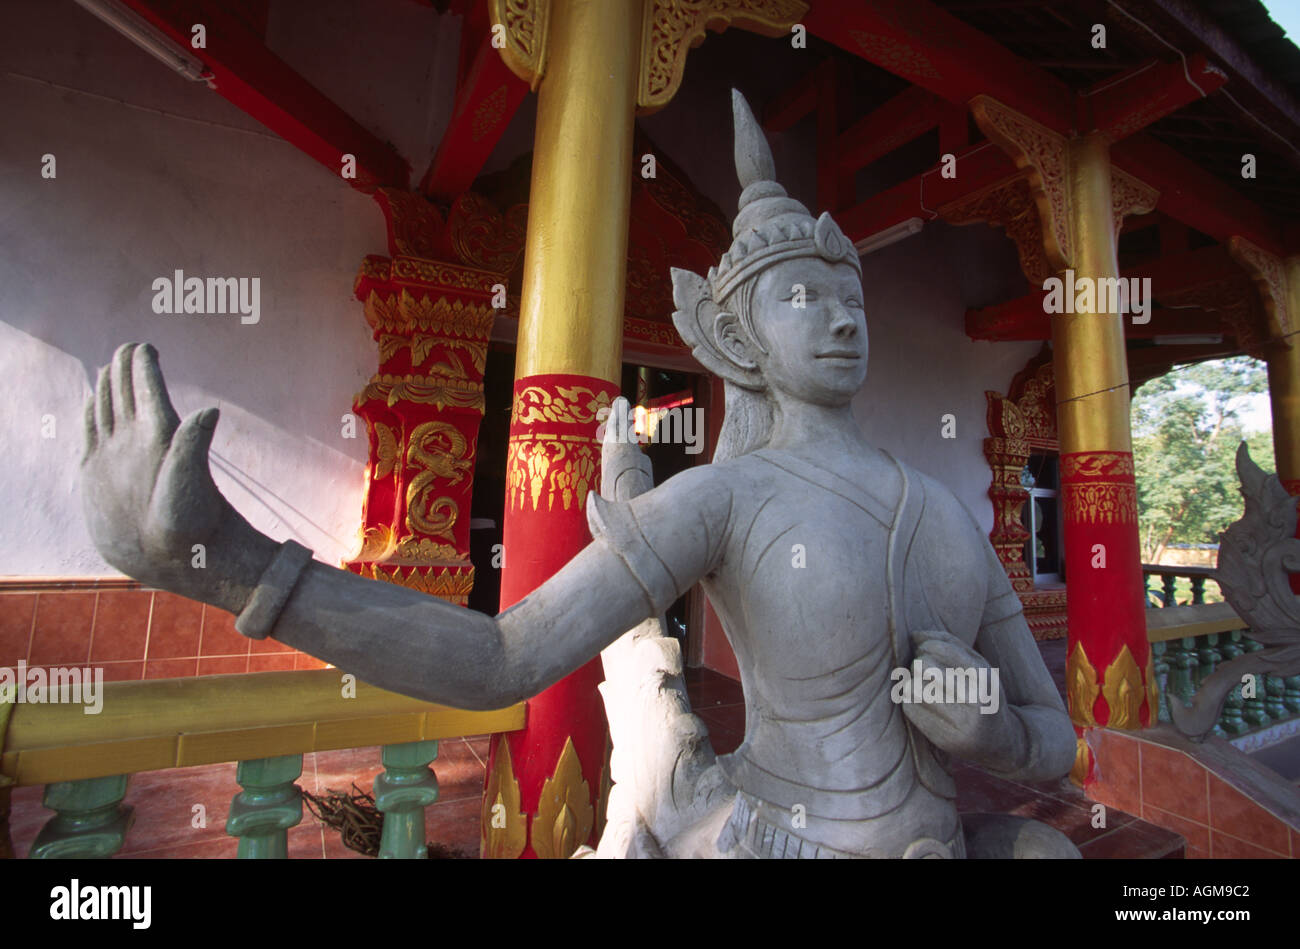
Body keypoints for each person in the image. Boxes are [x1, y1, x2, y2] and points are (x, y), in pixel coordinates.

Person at [80, 91, 1077, 858]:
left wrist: (989, 728)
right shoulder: (725, 497)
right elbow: (502, 659)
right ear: (734, 334)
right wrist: (239, 566)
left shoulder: (945, 512)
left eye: (847, 291)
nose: (840, 316)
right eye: (801, 297)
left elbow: (1053, 743)